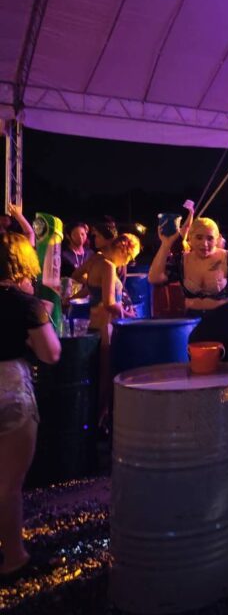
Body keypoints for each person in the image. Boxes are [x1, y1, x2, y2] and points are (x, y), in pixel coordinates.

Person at [0, 233, 61, 577]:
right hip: (9, 387)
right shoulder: (25, 304)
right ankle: (14, 558)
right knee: (8, 483)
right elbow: (51, 354)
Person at [80, 233, 139, 426]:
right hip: (106, 325)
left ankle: (95, 421)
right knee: (106, 378)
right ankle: (98, 422)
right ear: (124, 251)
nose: (128, 262)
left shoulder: (96, 260)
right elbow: (109, 303)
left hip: (93, 323)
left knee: (97, 375)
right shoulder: (108, 266)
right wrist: (130, 315)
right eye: (129, 257)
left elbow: (79, 279)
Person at [149, 217, 228, 315]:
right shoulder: (182, 260)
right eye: (199, 237)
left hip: (223, 318)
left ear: (217, 239)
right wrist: (166, 244)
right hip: (192, 319)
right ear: (190, 238)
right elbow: (154, 278)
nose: (204, 244)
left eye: (210, 238)